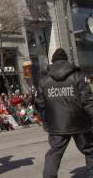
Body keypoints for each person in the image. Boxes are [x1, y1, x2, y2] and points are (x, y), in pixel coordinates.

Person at [35, 48, 93, 178]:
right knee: (90, 150)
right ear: (66, 60)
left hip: (56, 124)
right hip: (80, 122)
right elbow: (87, 101)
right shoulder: (77, 76)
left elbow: (40, 104)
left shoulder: (44, 80)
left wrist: (46, 120)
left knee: (54, 153)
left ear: (53, 61)